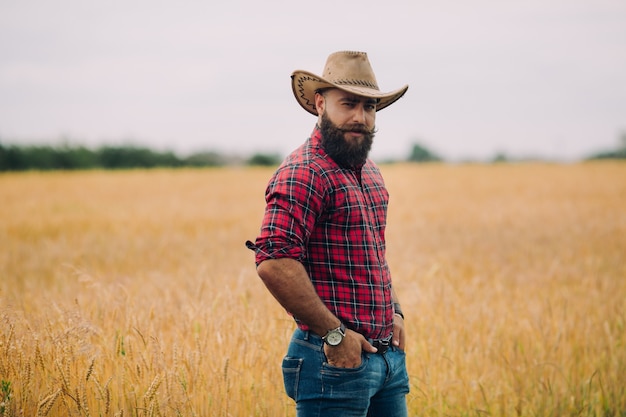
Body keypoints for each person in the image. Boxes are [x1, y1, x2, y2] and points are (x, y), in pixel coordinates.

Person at [246, 50, 410, 417]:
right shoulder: (304, 172)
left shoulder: (369, 172)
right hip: (333, 365)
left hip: (387, 363)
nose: (360, 117)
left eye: (368, 107)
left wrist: (395, 312)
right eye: (348, 104)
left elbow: (373, 254)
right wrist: (335, 335)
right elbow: (274, 262)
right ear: (320, 103)